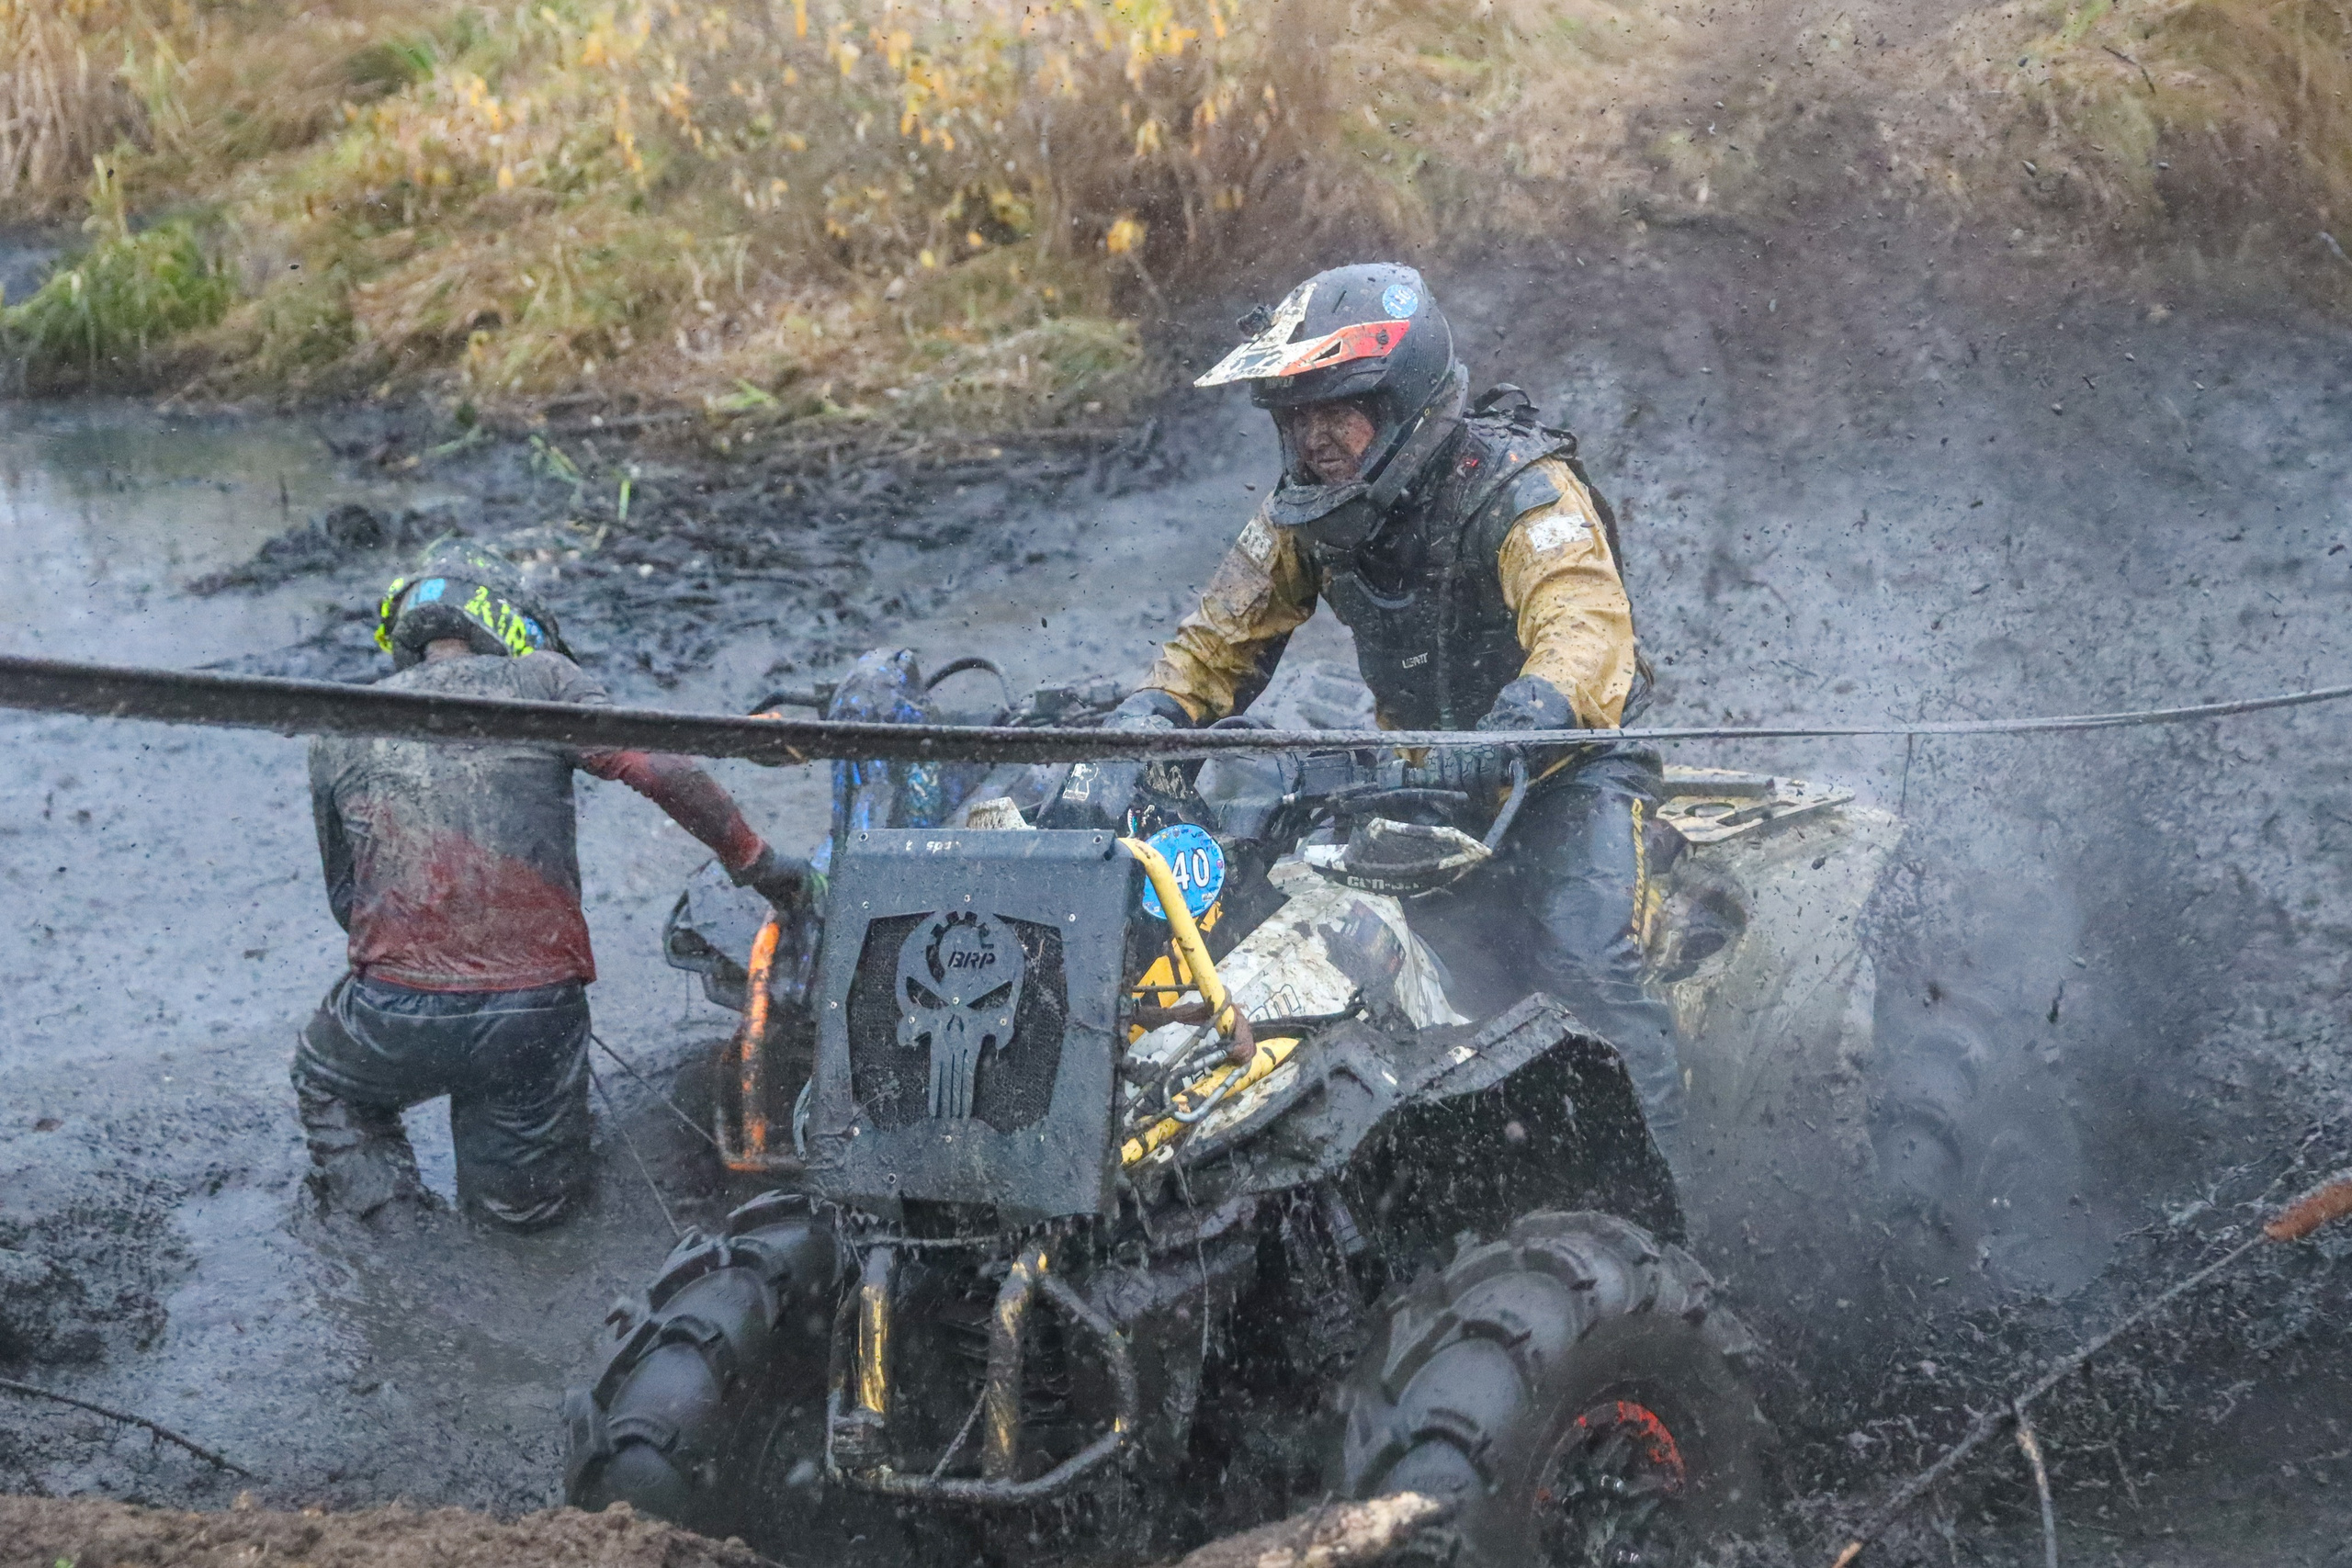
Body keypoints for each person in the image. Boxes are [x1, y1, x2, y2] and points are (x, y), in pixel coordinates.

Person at [1087, 262, 1685, 1159]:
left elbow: (1586, 633)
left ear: (1404, 400)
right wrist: (1151, 716)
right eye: (1295, 417)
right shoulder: (1308, 513)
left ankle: (1669, 1211)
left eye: (1337, 412)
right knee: (1342, 958)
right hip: (1413, 780)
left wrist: (1515, 729)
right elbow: (1216, 639)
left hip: (1565, 770)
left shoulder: (1521, 487)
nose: (1314, 438)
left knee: (1586, 969)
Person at [297, 542, 806, 1229]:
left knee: (329, 1081)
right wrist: (762, 865)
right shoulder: (545, 680)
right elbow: (659, 766)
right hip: (534, 1014)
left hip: (396, 1011)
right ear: (512, 623)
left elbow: (346, 902)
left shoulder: (343, 724)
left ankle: (396, 1234)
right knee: (528, 1220)